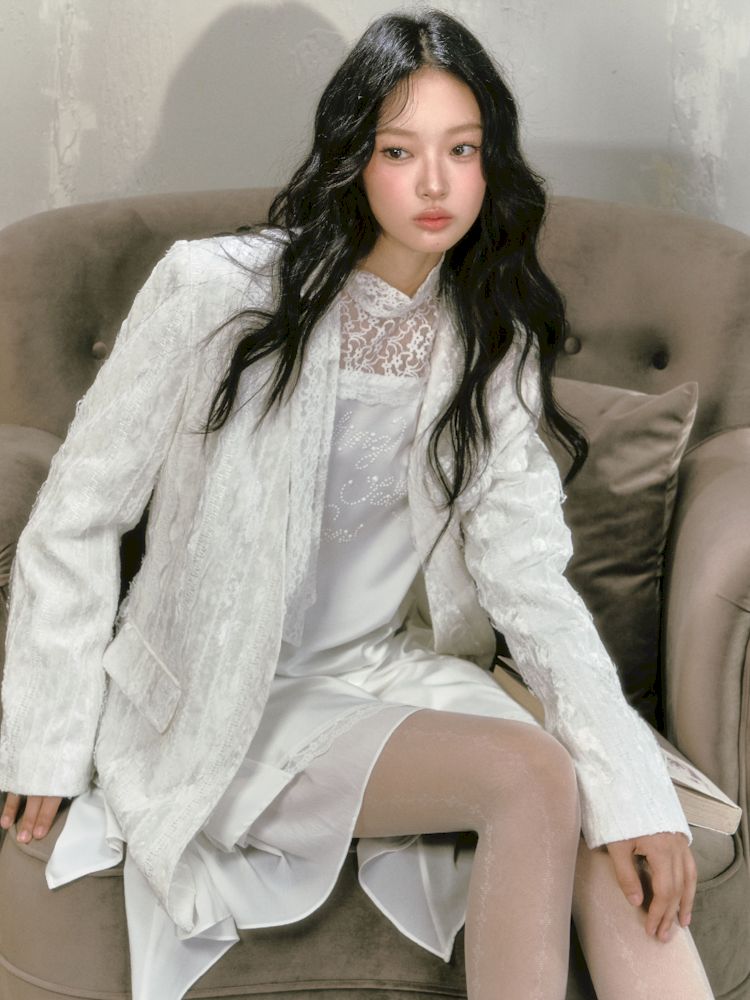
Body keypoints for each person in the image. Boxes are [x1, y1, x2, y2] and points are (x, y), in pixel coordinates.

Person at [0, 9, 715, 1000]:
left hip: (395, 681)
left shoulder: (489, 339)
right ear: (352, 158)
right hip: (228, 702)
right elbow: (78, 512)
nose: (435, 185)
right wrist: (45, 738)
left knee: (611, 808)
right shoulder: (215, 291)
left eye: (462, 150)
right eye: (399, 151)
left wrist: (634, 788)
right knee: (533, 774)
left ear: (491, 165)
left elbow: (528, 583)